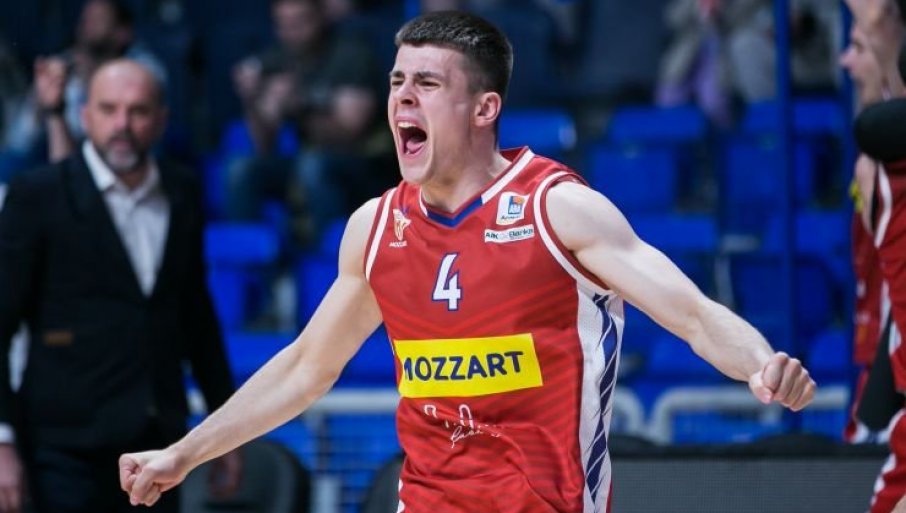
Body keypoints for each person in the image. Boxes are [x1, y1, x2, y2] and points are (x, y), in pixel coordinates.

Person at [120, 11, 816, 511]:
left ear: (484, 108)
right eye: (397, 81)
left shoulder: (559, 210)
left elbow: (693, 315)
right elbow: (306, 368)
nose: (402, 97)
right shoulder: (376, 227)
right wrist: (184, 453)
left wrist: (760, 363)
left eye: (426, 83)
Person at [0, 59, 239, 512]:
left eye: (138, 111)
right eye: (109, 109)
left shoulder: (182, 191)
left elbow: (197, 317)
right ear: (85, 115)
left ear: (162, 119)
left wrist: (226, 431)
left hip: (158, 446)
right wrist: (2, 440)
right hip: (62, 445)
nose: (122, 125)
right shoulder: (38, 194)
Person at [5, 0, 167, 166]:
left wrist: (89, 77)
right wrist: (43, 104)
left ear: (122, 33)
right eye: (86, 18)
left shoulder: (143, 67)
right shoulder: (61, 66)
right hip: (70, 156)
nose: (87, 24)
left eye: (98, 18)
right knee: (10, 162)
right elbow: (20, 140)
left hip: (125, 151)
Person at [840, 20, 896, 444]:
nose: (846, 61)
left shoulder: (883, 166)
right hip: (877, 370)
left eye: (859, 48)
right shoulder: (871, 159)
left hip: (894, 372)